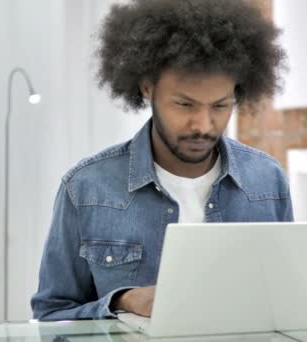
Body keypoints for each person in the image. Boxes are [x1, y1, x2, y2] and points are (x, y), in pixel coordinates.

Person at [31, 0, 291, 320]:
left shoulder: (267, 180)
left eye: (220, 106)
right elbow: (51, 315)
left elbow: (284, 304)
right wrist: (121, 301)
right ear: (147, 89)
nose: (203, 125)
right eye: (184, 105)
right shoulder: (86, 188)